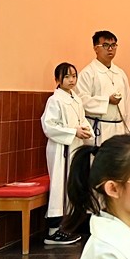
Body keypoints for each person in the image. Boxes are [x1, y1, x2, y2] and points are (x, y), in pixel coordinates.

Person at [40, 62, 93, 246]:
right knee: (59, 187)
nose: (71, 80)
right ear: (57, 79)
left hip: (74, 147)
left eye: (74, 76)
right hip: (61, 149)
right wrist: (73, 132)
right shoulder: (55, 100)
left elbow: (82, 119)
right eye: (67, 76)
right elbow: (49, 126)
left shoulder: (75, 98)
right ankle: (53, 231)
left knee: (71, 186)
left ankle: (66, 225)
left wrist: (86, 131)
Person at [77, 31, 130, 145]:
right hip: (99, 128)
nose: (110, 49)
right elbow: (81, 101)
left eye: (113, 45)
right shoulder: (88, 73)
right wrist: (107, 100)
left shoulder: (120, 73)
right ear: (96, 48)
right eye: (105, 45)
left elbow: (128, 103)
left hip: (119, 129)